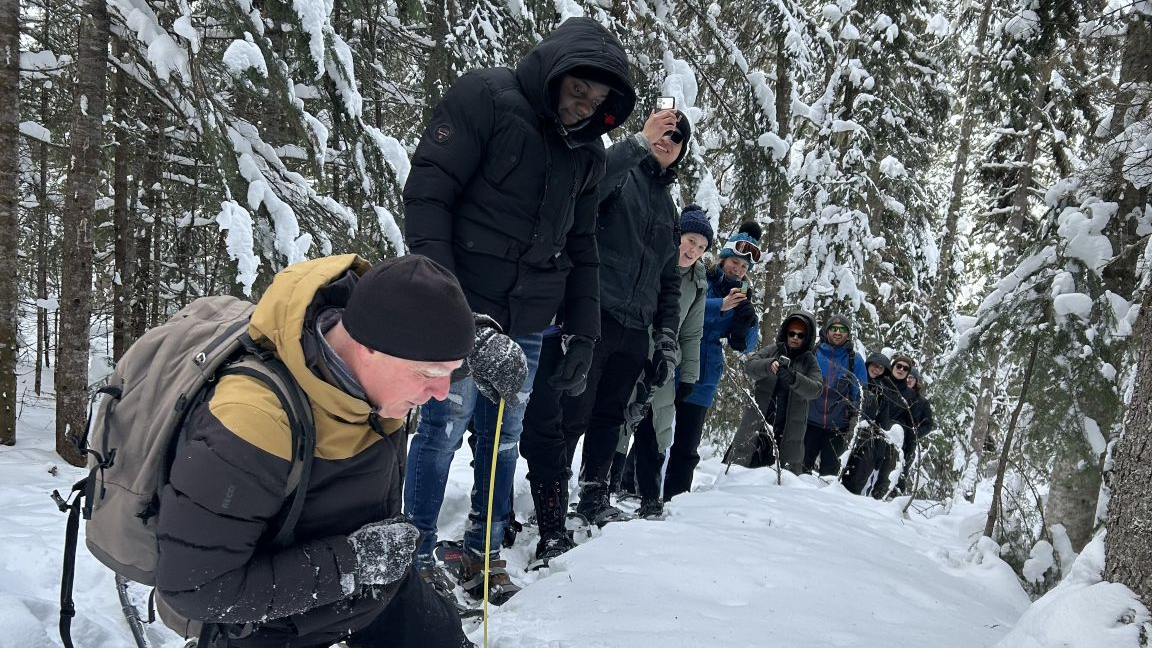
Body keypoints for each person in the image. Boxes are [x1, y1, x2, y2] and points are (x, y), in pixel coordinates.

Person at [154, 254, 524, 648]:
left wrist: (472, 341)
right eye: (432, 374)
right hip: (268, 622)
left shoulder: (378, 341)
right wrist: (355, 561)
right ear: (368, 349)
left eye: (450, 371)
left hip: (374, 587)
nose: (441, 392)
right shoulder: (250, 424)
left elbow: (413, 333)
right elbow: (195, 589)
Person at [401, 17, 636, 602]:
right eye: (578, 91)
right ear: (553, 71)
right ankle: (418, 555)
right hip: (461, 308)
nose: (585, 107)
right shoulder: (484, 97)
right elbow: (428, 197)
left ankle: (481, 550)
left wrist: (584, 332)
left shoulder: (588, 153)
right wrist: (449, 308)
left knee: (504, 436)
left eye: (598, 100)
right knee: (442, 428)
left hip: (531, 321)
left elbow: (583, 248)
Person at [520, 106, 689, 562]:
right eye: (663, 134)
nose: (666, 143)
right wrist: (636, 141)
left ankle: (595, 492)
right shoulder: (623, 172)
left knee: (610, 416)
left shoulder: (669, 208)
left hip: (635, 327)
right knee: (567, 415)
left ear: (679, 155)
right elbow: (589, 190)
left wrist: (667, 338)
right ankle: (549, 505)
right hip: (592, 313)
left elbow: (669, 280)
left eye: (675, 141)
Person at [611, 204, 712, 519]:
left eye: (701, 246)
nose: (693, 249)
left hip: (666, 365)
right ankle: (602, 489)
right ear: (677, 236)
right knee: (618, 423)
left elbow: (691, 334)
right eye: (690, 240)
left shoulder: (697, 283)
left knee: (657, 428)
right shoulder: (652, 261)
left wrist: (689, 378)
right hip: (633, 354)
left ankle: (650, 498)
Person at [663, 228, 761, 500]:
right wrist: (721, 305)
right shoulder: (700, 275)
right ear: (723, 259)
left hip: (705, 374)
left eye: (744, 266)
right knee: (655, 430)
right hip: (676, 360)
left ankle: (675, 497)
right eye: (734, 262)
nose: (738, 269)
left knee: (687, 442)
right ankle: (634, 488)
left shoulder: (742, 294)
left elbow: (747, 347)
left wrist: (747, 322)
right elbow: (684, 309)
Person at [726, 312, 823, 473]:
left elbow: (816, 389)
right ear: (785, 332)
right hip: (757, 426)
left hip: (787, 433)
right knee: (738, 474)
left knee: (779, 488)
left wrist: (794, 378)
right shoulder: (772, 350)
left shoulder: (809, 361)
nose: (795, 338)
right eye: (791, 333)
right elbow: (750, 367)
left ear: (807, 338)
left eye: (800, 335)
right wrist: (768, 366)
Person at [802, 314, 868, 476]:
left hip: (837, 428)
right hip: (808, 423)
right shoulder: (813, 352)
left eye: (842, 330)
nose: (838, 333)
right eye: (834, 329)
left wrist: (854, 423)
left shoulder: (855, 359)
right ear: (826, 331)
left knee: (829, 477)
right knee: (800, 470)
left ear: (848, 334)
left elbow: (860, 395)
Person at [841, 352, 907, 497]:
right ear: (868, 364)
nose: (876, 370)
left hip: (867, 436)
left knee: (863, 468)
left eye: (881, 368)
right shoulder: (855, 380)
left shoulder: (881, 391)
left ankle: (850, 497)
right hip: (844, 428)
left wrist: (880, 451)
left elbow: (882, 422)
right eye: (874, 366)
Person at [883, 356, 935, 494]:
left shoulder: (922, 402)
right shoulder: (895, 391)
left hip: (909, 443)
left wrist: (915, 433)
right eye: (908, 376)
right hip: (892, 436)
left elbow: (928, 424)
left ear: (916, 380)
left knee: (900, 472)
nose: (908, 379)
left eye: (912, 376)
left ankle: (896, 498)